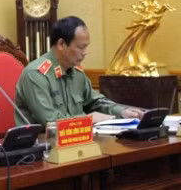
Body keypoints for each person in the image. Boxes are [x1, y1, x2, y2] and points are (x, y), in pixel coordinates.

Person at [14, 15, 145, 127]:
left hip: (78, 141)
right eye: (81, 47)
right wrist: (88, 119)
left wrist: (122, 111)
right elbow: (50, 121)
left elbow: (95, 102)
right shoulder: (36, 74)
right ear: (61, 44)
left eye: (86, 47)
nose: (84, 53)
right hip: (44, 144)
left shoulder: (77, 73)